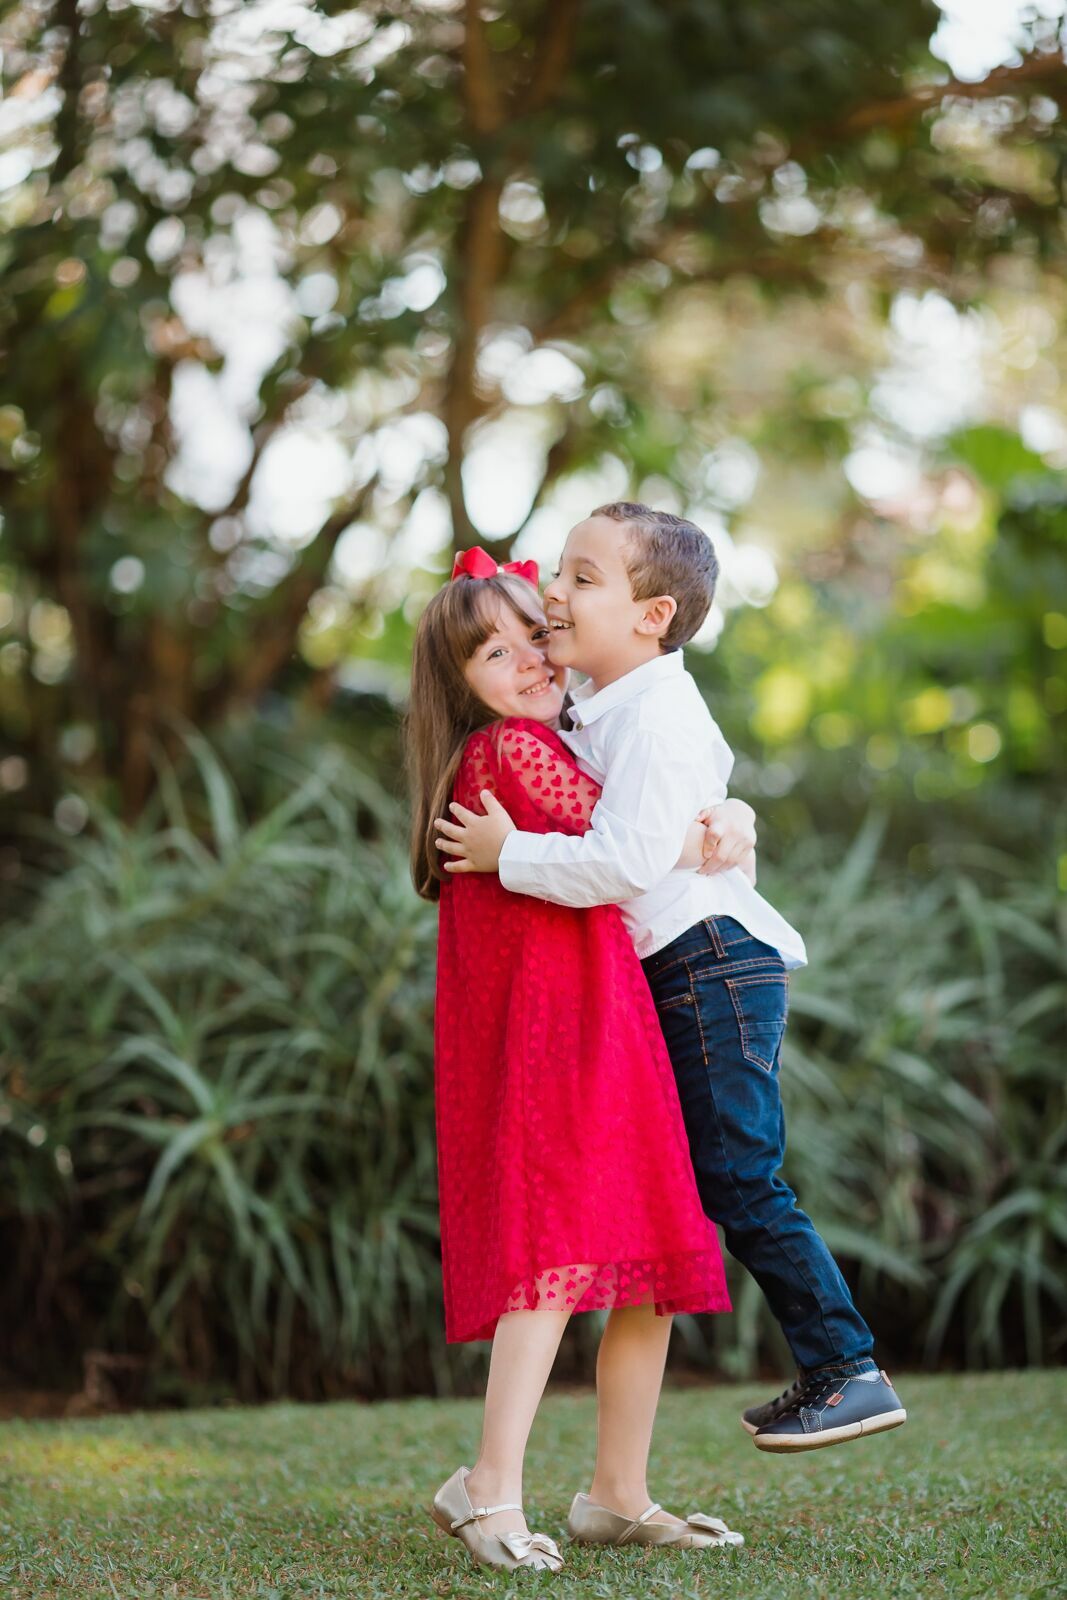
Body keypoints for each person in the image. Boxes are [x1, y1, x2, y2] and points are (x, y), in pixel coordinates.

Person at [434, 504, 908, 1454]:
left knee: (739, 1175)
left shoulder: (653, 713)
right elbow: (666, 811)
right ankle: (636, 1475)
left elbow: (623, 860)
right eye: (556, 575)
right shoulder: (594, 709)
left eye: (579, 579)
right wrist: (730, 814)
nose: (554, 597)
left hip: (711, 962)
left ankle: (846, 1366)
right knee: (701, 1185)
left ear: (651, 617)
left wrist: (507, 854)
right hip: (687, 966)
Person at [405, 547, 749, 1574]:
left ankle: (616, 1494)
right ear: (460, 687)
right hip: (560, 1032)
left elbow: (633, 826)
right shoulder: (509, 749)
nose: (526, 659)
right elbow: (624, 839)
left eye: (532, 634)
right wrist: (711, 832)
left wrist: (720, 816)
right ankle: (488, 1485)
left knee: (647, 1255)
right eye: (492, 654)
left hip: (601, 1018)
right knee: (554, 1257)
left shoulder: (555, 739)